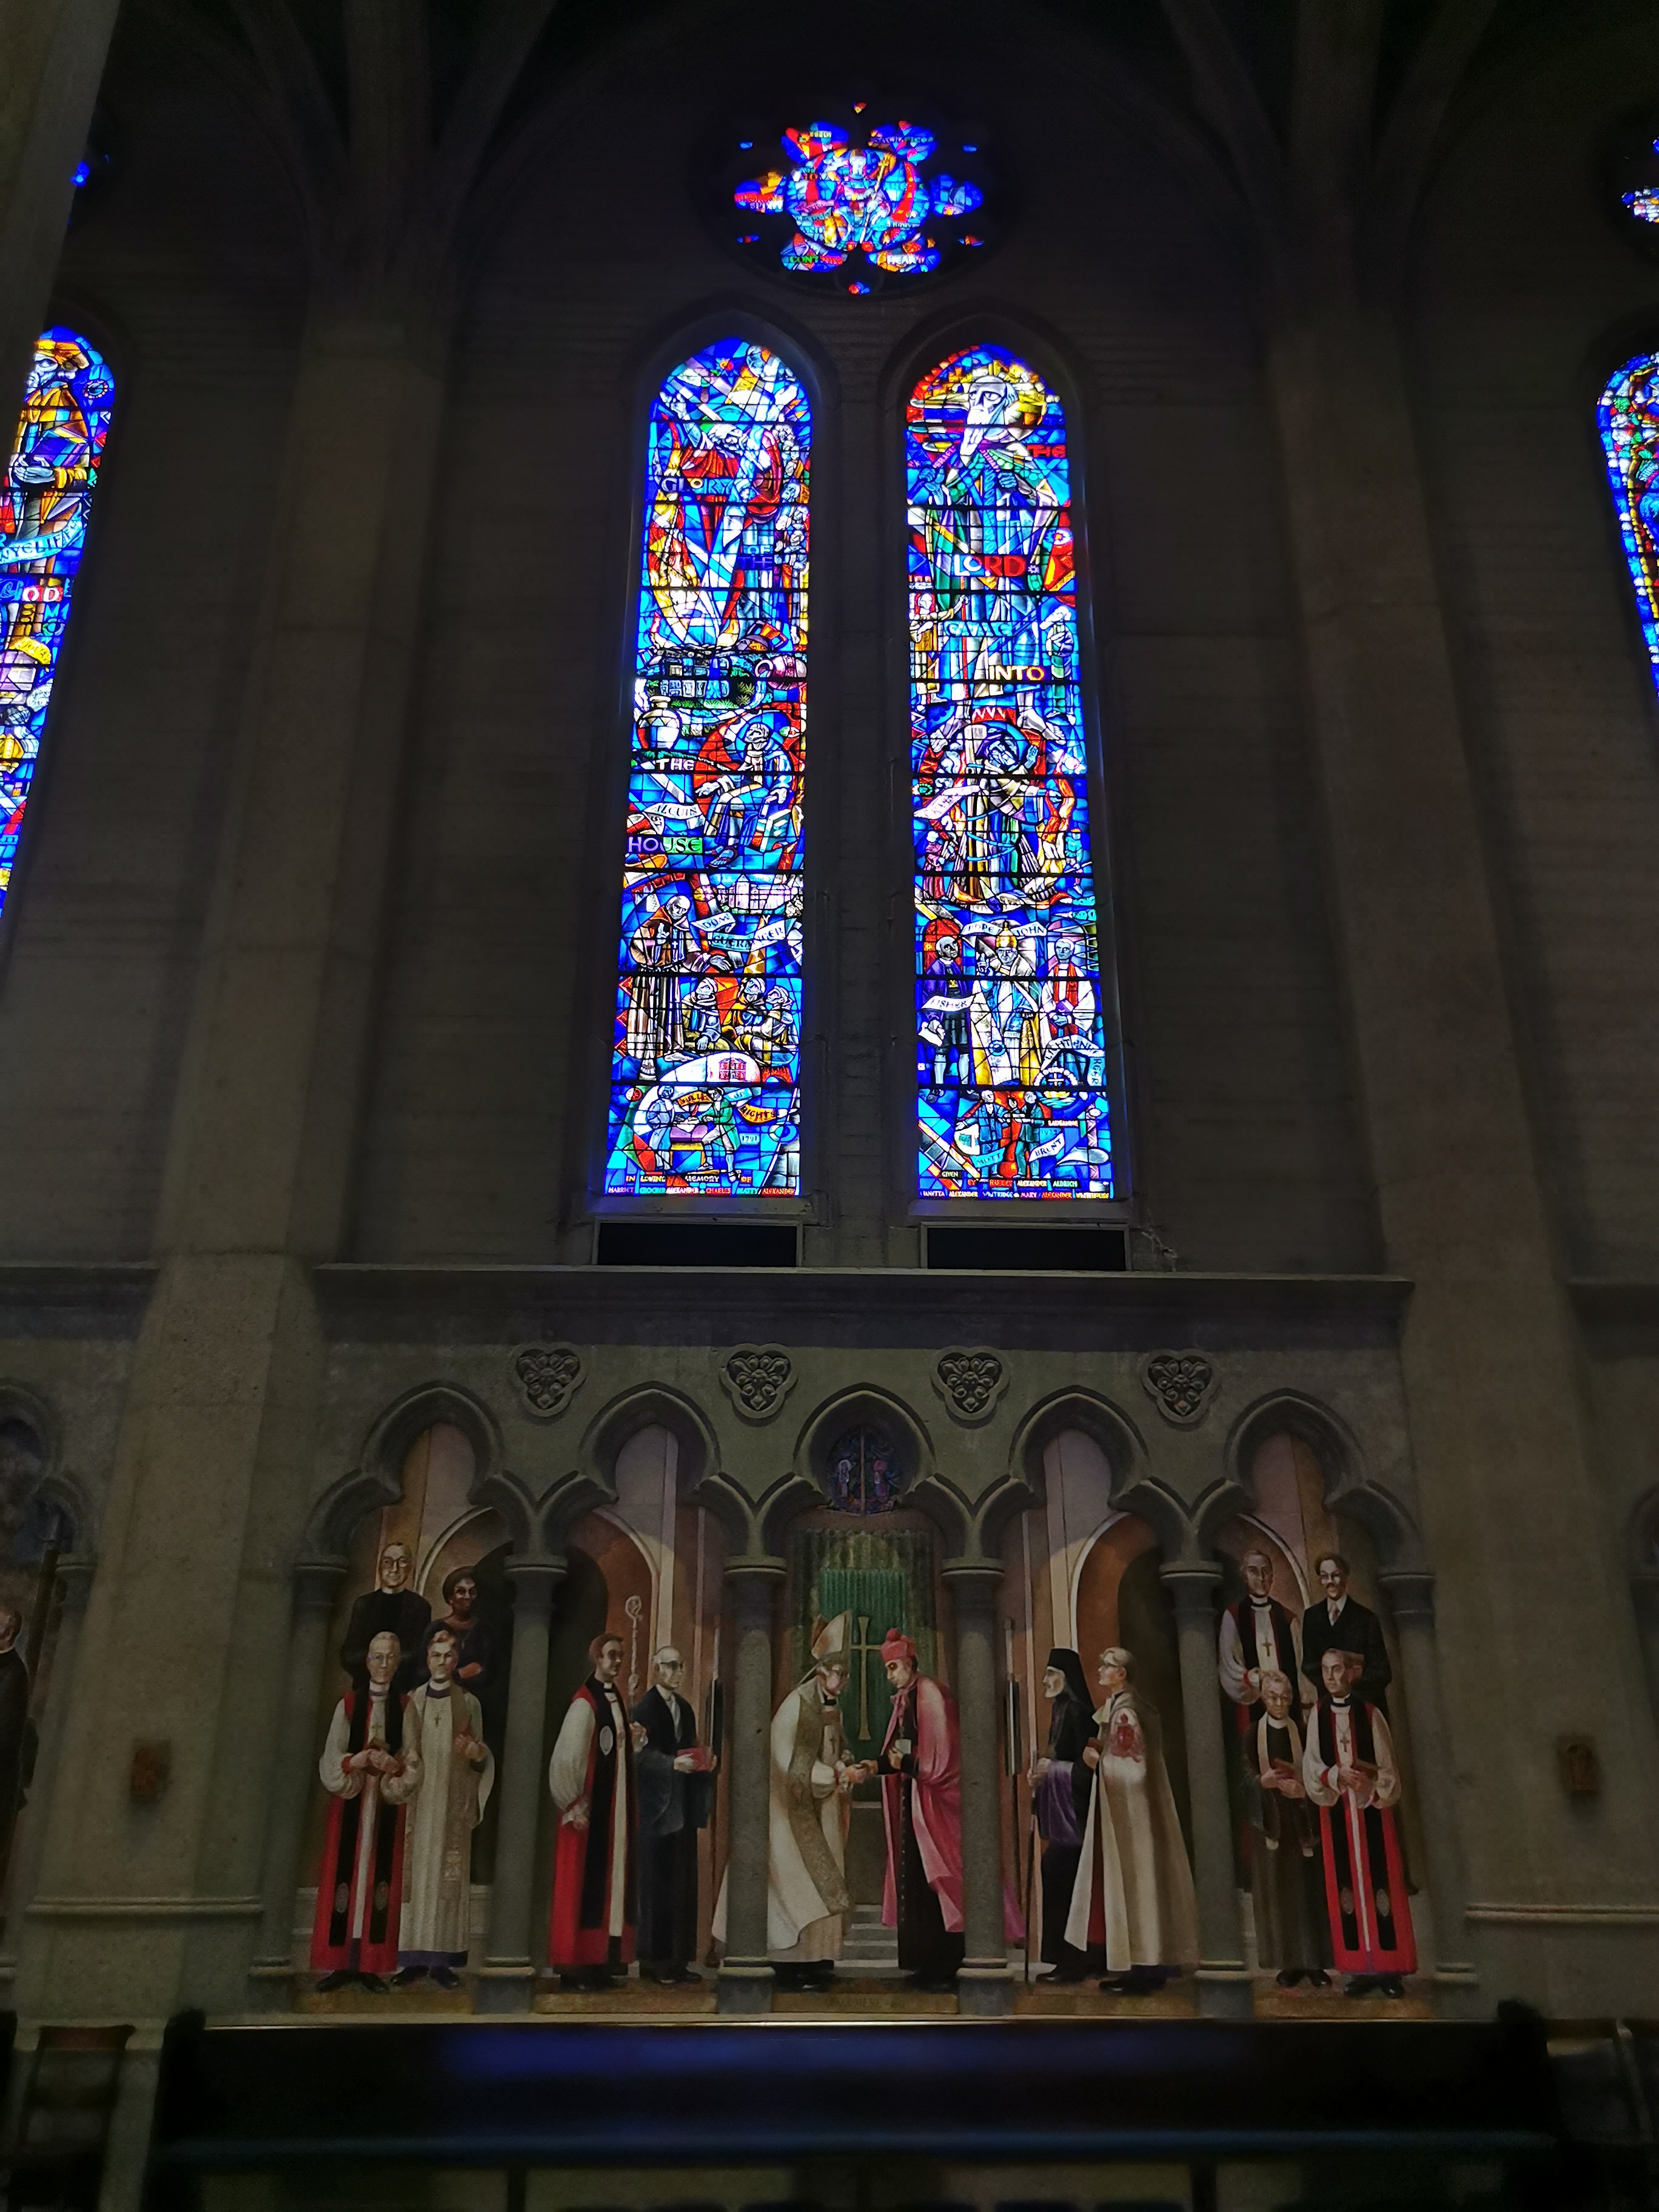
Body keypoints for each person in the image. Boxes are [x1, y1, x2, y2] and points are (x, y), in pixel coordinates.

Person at [714, 1612, 859, 1991]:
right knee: (797, 1889)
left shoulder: (831, 1704)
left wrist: (844, 1762)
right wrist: (831, 1776)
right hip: (789, 1814)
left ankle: (819, 1959)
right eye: (838, 1672)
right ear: (822, 1671)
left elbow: (836, 1746)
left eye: (846, 1674)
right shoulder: (797, 1704)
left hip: (821, 1808)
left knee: (824, 1884)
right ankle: (791, 1964)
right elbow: (783, 1759)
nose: (843, 1680)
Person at [1065, 1646, 1198, 1994]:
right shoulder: (1125, 1707)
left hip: (1134, 1820)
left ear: (1121, 1674)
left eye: (1106, 1666)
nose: (1100, 1671)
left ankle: (1145, 1970)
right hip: (1132, 1816)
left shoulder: (1126, 1713)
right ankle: (1141, 1967)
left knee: (1138, 1888)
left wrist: (1098, 1761)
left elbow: (1133, 1770)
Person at [310, 1630, 421, 1992]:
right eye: (378, 1657)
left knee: (378, 1880)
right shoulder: (348, 1705)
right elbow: (332, 1754)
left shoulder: (405, 1707)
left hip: (385, 1804)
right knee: (346, 1877)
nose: (384, 1664)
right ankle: (340, 1963)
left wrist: (396, 1767)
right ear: (368, 1661)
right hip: (352, 1803)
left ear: (398, 1662)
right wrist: (353, 1761)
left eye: (391, 1658)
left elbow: (413, 1758)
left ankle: (371, 1964)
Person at [1303, 1646, 1416, 1997]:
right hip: (1337, 1814)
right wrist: (1335, 1775)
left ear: (1350, 1673)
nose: (1331, 1677)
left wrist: (1371, 1787)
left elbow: (1389, 1771)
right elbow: (1311, 1765)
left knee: (1381, 1886)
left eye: (1337, 1669)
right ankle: (1359, 1969)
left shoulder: (1370, 1714)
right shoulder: (1317, 1716)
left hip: (1372, 1815)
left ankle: (1389, 1969)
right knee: (1346, 1890)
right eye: (1326, 1670)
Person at [862, 1630, 964, 1990]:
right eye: (887, 1669)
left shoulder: (930, 1694)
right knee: (918, 1885)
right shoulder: (908, 1698)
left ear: (909, 1663)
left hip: (935, 1809)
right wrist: (873, 1767)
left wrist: (905, 1764)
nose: (890, 1675)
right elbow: (897, 1753)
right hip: (916, 1804)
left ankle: (945, 1967)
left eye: (894, 1667)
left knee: (937, 1883)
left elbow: (941, 1759)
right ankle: (925, 1964)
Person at [394, 1629, 493, 1990]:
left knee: (448, 1882)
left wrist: (475, 1753)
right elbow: (404, 1750)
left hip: (452, 1804)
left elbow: (480, 1753)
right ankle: (411, 1960)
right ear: (427, 1659)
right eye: (436, 1656)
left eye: (449, 1656)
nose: (442, 1662)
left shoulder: (469, 1704)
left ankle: (442, 1961)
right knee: (417, 1878)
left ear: (456, 1661)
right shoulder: (413, 1701)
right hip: (419, 1804)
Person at [548, 1631, 638, 1990]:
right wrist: (573, 1803)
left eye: (620, 1656)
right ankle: (576, 1968)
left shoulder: (615, 1698)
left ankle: (601, 1962)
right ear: (597, 1658)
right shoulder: (585, 1703)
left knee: (612, 1886)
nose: (617, 1662)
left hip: (614, 1810)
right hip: (587, 1814)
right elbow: (567, 1757)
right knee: (583, 1887)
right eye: (611, 1655)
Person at [632, 1645, 716, 1985]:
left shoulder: (684, 1708)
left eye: (681, 1666)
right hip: (656, 1810)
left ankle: (679, 1961)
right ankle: (655, 1963)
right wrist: (671, 1764)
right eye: (671, 1666)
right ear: (657, 1670)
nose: (678, 1672)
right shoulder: (645, 1708)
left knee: (682, 1886)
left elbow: (688, 1746)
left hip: (682, 1808)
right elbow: (638, 1757)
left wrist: (704, 1762)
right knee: (657, 1887)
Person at [1245, 1671, 1330, 1989]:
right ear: (1263, 1698)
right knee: (1280, 1894)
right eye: (1273, 1697)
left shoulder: (1304, 1732)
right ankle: (1289, 1963)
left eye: (1285, 1698)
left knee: (1309, 1894)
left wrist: (1303, 1791)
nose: (1280, 1703)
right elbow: (1242, 1779)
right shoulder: (1252, 1735)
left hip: (1302, 1823)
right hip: (1272, 1825)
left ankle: (1316, 1962)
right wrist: (1261, 1783)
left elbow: (1319, 1771)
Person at [1030, 1647, 1093, 1982]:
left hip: (1077, 1818)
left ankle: (1073, 1963)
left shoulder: (1079, 1713)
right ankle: (1064, 1960)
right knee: (1056, 1875)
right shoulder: (1061, 1709)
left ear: (1067, 1679)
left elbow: (1087, 1770)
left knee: (1063, 1877)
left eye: (1051, 1674)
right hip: (1064, 1815)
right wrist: (1041, 1776)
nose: (1045, 1680)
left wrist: (1051, 1769)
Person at [1299, 1552, 1391, 1716]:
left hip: (1363, 1706)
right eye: (1325, 1577)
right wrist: (1333, 1684)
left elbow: (1383, 1672)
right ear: (1320, 1581)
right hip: (1329, 1708)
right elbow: (1308, 1665)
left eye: (1335, 1575)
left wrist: (1348, 1681)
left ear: (1346, 1578)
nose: (1330, 1582)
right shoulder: (1312, 1617)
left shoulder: (1367, 1619)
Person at [1219, 1547, 1301, 1724]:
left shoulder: (1288, 1618)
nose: (1261, 1578)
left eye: (1265, 1572)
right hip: (1252, 1704)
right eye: (1254, 1572)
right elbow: (1229, 1665)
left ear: (1272, 1577)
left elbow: (1300, 1667)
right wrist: (1253, 1678)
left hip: (1287, 1706)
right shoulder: (1233, 1616)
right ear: (1244, 1577)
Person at [340, 1542, 431, 1698]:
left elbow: (420, 1656)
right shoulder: (364, 1604)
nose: (394, 1569)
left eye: (402, 1562)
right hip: (366, 1689)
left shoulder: (420, 1607)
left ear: (410, 1567)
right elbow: (349, 1656)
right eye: (388, 1562)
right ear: (380, 1566)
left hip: (404, 1690)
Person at [430, 1567, 492, 1697]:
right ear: (450, 1598)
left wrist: (448, 1674)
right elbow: (425, 1672)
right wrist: (460, 1673)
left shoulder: (483, 1630)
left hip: (475, 1697)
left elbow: (486, 1673)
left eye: (472, 1592)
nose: (468, 1597)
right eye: (461, 1591)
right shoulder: (435, 1628)